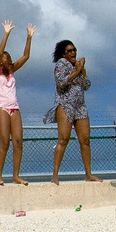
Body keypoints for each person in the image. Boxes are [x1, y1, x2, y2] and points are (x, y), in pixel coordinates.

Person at [44, 39, 101, 185]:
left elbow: (86, 85)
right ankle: (55, 175)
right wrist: (76, 71)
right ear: (63, 54)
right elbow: (61, 84)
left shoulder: (77, 66)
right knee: (63, 139)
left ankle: (89, 174)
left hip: (80, 106)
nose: (73, 52)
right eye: (69, 50)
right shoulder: (61, 64)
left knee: (85, 139)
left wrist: (82, 70)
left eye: (74, 49)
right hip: (65, 104)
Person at [0, 20, 36, 186]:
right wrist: (6, 34)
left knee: (18, 142)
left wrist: (29, 37)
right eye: (5, 57)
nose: (8, 58)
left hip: (14, 107)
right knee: (4, 141)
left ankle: (16, 176)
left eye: (9, 57)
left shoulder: (11, 71)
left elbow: (26, 56)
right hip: (1, 107)